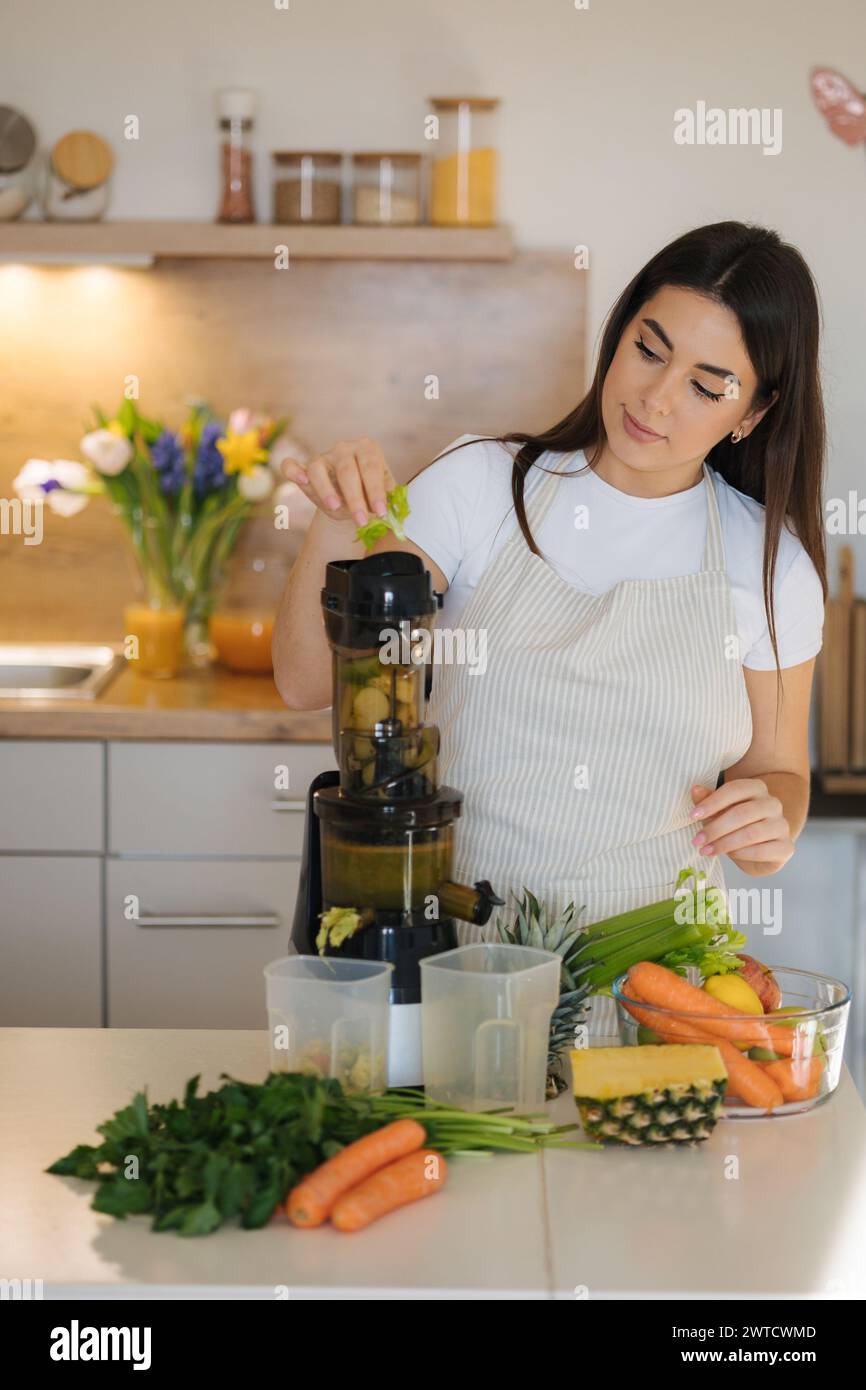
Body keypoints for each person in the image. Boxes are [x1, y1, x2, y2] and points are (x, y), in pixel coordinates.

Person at [273, 220, 827, 985]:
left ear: (752, 415)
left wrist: (772, 821)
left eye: (706, 386)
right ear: (617, 334)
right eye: (648, 349)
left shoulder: (770, 568)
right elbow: (306, 681)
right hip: (459, 973)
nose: (657, 399)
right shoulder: (481, 487)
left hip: (661, 992)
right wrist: (335, 518)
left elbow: (778, 771)